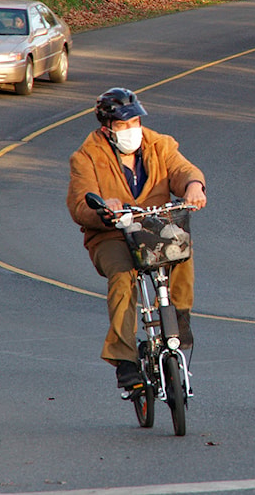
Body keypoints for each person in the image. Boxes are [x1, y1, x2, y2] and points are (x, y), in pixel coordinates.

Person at [67, 88, 207, 389]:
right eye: (122, 125)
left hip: (153, 227)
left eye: (135, 123)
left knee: (181, 251)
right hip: (111, 234)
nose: (131, 130)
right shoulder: (86, 156)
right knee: (122, 276)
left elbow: (183, 169)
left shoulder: (160, 144)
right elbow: (80, 204)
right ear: (107, 128)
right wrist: (105, 210)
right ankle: (124, 358)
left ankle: (179, 320)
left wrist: (194, 185)